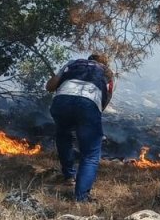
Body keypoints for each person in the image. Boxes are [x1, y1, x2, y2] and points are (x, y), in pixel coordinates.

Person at [46, 53, 114, 202]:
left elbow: (50, 86)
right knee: (90, 154)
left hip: (61, 101)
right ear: (105, 63)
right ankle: (81, 197)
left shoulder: (73, 63)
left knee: (63, 135)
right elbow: (105, 101)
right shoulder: (108, 73)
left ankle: (69, 177)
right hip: (88, 104)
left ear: (89, 60)